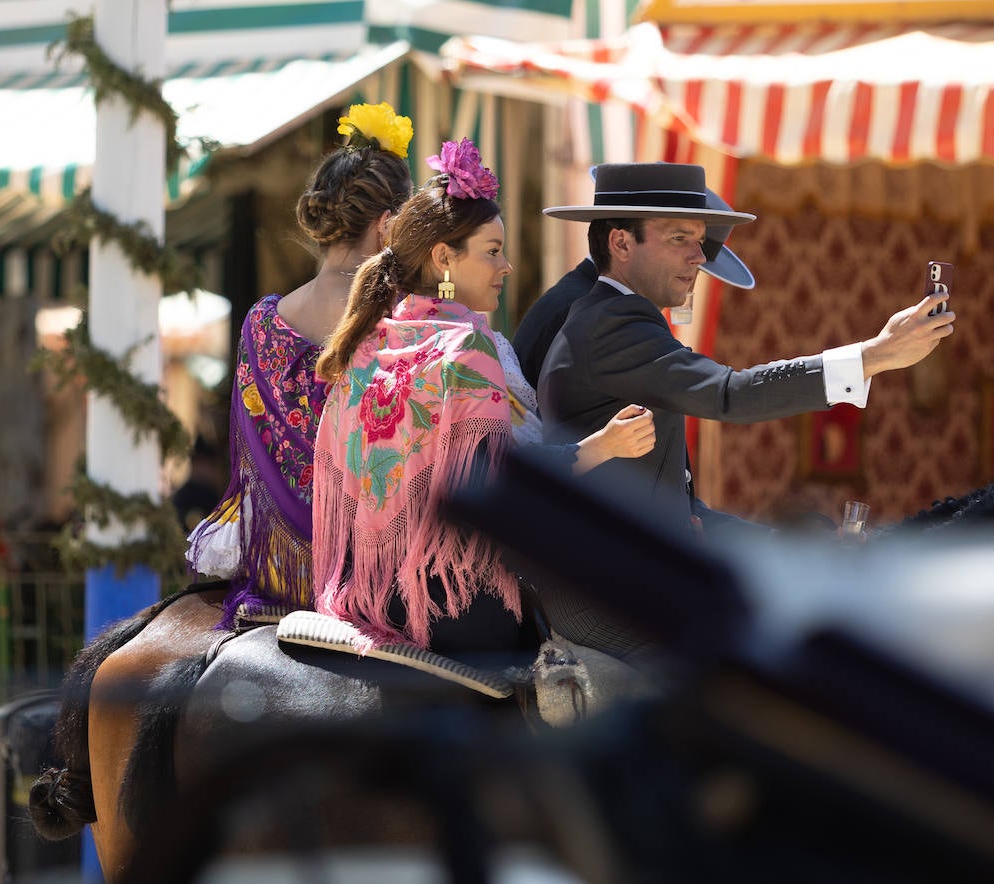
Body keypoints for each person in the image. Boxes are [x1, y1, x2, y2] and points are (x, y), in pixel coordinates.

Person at [312, 138, 654, 655]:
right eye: (492, 251)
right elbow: (499, 489)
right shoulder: (467, 347)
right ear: (444, 258)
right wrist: (604, 447)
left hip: (362, 592)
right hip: (452, 605)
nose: (506, 266)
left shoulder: (369, 342)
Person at [538, 162, 957, 543]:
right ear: (621, 243)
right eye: (679, 238)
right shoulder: (612, 322)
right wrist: (873, 356)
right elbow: (730, 393)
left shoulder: (615, 319)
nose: (699, 257)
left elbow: (686, 513)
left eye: (700, 241)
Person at [187, 102, 415, 626]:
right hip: (379, 577)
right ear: (388, 225)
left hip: (280, 573)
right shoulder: (407, 322)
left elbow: (250, 462)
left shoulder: (260, 323)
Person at [512, 181, 755, 388]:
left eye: (700, 249)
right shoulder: (596, 317)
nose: (696, 262)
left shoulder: (588, 301)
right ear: (621, 243)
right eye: (678, 239)